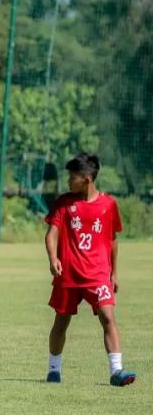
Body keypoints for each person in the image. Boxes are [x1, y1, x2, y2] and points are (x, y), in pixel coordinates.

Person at [44, 153, 136, 387]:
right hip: (69, 275)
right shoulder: (64, 203)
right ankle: (54, 370)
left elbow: (113, 239)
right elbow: (51, 233)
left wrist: (114, 273)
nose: (68, 181)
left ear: (86, 179)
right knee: (61, 323)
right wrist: (53, 258)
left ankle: (117, 372)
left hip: (97, 275)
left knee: (108, 317)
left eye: (72, 177)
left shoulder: (108, 205)